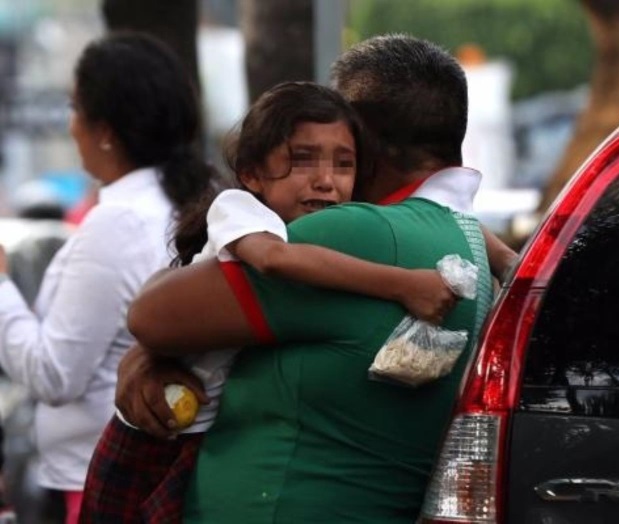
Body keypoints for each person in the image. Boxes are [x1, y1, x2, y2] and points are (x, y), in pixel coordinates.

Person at [117, 35, 514, 522]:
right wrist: (145, 359)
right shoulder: (463, 237)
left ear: (363, 137)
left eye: (341, 150)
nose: (324, 177)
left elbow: (152, 316)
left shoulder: (352, 231)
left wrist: (141, 355)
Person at [0, 32, 218, 524]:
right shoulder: (191, 200)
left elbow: (55, 374)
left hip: (100, 484)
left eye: (75, 107)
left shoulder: (119, 222)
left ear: (105, 130)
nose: (69, 123)